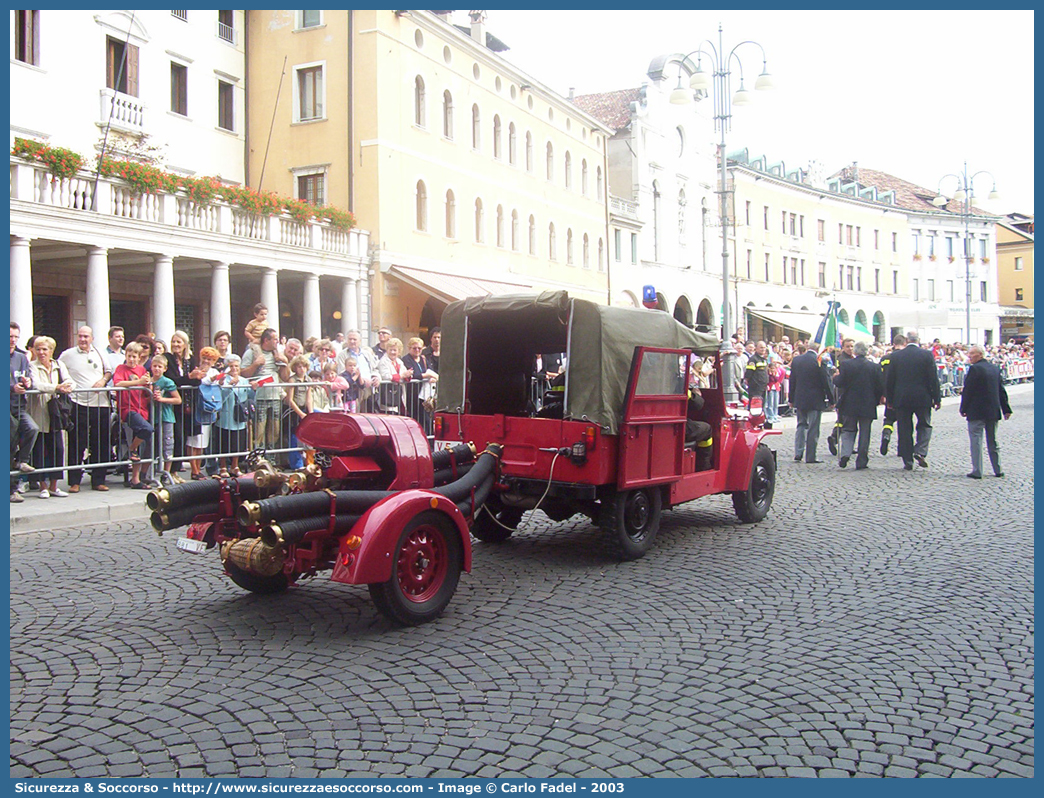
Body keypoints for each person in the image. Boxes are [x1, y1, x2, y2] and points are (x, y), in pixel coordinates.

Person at [59, 325, 112, 493]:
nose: (83, 339)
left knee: (101, 443)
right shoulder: (67, 355)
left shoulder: (101, 353)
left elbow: (109, 372)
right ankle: (74, 481)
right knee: (76, 442)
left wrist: (103, 381)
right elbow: (60, 371)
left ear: (92, 338)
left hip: (101, 404)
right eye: (80, 336)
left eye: (86, 336)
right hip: (78, 403)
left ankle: (98, 480)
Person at [885, 331, 942, 471]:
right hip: (922, 397)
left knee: (904, 429)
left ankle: (907, 460)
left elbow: (890, 380)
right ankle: (920, 451)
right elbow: (933, 378)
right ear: (918, 340)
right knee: (925, 425)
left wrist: (890, 399)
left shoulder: (896, 356)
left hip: (902, 398)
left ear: (906, 341)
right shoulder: (926, 355)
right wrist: (937, 398)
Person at [27, 336, 73, 498]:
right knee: (39, 450)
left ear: (51, 350)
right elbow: (36, 385)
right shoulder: (32, 366)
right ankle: (42, 486)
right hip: (38, 412)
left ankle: (54, 485)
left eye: (44, 349)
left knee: (58, 449)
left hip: (55, 413)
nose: (41, 352)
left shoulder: (59, 365)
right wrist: (57, 387)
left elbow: (70, 381)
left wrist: (66, 386)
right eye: (38, 349)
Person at [959, 344, 1012, 479]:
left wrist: (963, 408)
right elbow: (1001, 390)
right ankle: (997, 468)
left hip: (977, 410)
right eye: (969, 354)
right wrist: (1006, 408)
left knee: (976, 440)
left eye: (972, 354)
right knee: (992, 440)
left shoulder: (974, 369)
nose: (969, 356)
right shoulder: (994, 368)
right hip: (992, 410)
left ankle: (977, 470)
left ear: (980, 355)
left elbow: (968, 391)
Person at [832, 341, 885, 470]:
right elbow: (880, 387)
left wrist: (834, 377)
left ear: (855, 352)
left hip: (850, 402)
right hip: (868, 402)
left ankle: (845, 453)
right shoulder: (874, 367)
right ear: (867, 351)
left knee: (848, 430)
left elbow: (840, 382)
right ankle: (862, 459)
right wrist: (877, 400)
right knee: (865, 432)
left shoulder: (846, 365)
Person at [112, 342, 156, 489]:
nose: (131, 359)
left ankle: (138, 478)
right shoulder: (121, 368)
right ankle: (131, 449)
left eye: (134, 356)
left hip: (142, 408)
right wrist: (139, 381)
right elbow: (117, 384)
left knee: (147, 443)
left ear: (139, 357)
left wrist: (149, 385)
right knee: (146, 429)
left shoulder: (142, 369)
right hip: (128, 408)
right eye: (129, 356)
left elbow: (145, 389)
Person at [241, 328, 288, 458]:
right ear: (266, 340)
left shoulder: (276, 354)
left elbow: (285, 377)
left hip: (275, 395)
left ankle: (271, 458)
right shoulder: (252, 352)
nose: (277, 342)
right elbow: (243, 373)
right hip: (259, 396)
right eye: (275, 339)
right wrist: (255, 365)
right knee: (259, 429)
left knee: (275, 429)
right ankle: (258, 458)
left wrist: (285, 363)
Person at [788, 341, 833, 464]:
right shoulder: (819, 361)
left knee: (801, 425)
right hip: (815, 399)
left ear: (808, 348)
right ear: (818, 349)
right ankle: (810, 456)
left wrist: (791, 399)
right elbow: (826, 381)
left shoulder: (797, 360)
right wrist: (831, 399)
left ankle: (798, 452)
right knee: (813, 428)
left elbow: (793, 381)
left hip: (800, 398)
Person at [10, 323, 39, 502]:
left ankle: (22, 460)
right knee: (10, 443)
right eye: (9, 337)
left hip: (18, 406)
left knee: (32, 428)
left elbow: (27, 376)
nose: (12, 340)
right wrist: (11, 388)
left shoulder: (21, 357)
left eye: (15, 337)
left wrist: (27, 382)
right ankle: (12, 489)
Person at [164, 330, 197, 479]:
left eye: (179, 342)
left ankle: (176, 470)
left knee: (184, 437)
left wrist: (192, 377)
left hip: (188, 404)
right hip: (173, 404)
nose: (176, 345)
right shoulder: (167, 358)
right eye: (173, 341)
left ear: (185, 344)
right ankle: (171, 471)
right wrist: (188, 378)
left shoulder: (190, 360)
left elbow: (196, 381)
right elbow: (172, 380)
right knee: (176, 436)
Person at [185, 347, 221, 479]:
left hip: (209, 406)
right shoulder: (195, 369)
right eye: (205, 358)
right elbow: (202, 382)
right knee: (193, 440)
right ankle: (194, 470)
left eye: (210, 359)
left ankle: (198, 467)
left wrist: (220, 381)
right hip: (196, 406)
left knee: (202, 442)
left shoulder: (215, 371)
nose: (206, 361)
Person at [213, 354, 250, 478]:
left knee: (237, 442)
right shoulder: (223, 380)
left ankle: (235, 466)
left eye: (236, 366)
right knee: (224, 441)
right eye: (231, 366)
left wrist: (254, 387)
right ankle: (223, 466)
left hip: (238, 416)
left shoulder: (244, 380)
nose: (234, 368)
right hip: (225, 415)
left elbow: (249, 395)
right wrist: (229, 386)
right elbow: (221, 397)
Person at [149, 353, 182, 486]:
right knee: (152, 445)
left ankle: (166, 473)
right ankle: (150, 472)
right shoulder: (148, 381)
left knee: (167, 445)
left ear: (165, 368)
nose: (157, 369)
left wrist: (162, 399)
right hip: (152, 417)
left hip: (166, 417)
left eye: (159, 366)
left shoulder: (168, 382)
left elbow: (178, 399)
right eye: (155, 366)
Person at [336, 329, 380, 411]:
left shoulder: (366, 354)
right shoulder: (342, 355)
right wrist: (360, 380)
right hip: (353, 392)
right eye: (350, 339)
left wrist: (376, 377)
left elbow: (375, 368)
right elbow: (342, 373)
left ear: (359, 341)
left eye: (354, 339)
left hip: (369, 390)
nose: (352, 341)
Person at [827, 338, 856, 455]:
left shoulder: (852, 358)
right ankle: (836, 438)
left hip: (850, 392)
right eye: (848, 346)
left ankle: (835, 438)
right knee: (846, 419)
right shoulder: (841, 359)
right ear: (843, 347)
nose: (850, 348)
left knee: (843, 419)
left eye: (852, 346)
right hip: (843, 392)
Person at [285, 355, 313, 469]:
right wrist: (300, 413)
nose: (302, 369)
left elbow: (309, 397)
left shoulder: (308, 379)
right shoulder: (292, 380)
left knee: (307, 436)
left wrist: (310, 412)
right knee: (294, 437)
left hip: (304, 408)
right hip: (293, 410)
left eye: (304, 366)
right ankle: (296, 464)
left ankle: (310, 462)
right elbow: (289, 399)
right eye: (299, 366)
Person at [878, 334, 904, 455]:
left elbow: (879, 376)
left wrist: (881, 394)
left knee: (888, 419)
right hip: (902, 394)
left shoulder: (885, 358)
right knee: (903, 421)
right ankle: (902, 448)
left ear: (893, 344)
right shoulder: (904, 358)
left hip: (888, 394)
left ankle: (886, 435)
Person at [376, 337, 411, 414]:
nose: (392, 352)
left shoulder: (399, 361)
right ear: (387, 350)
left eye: (395, 350)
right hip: (387, 395)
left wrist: (408, 374)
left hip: (399, 394)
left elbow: (405, 374)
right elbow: (386, 376)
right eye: (390, 350)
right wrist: (402, 376)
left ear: (399, 351)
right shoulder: (383, 361)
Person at [743, 340, 770, 425]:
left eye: (764, 347)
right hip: (755, 387)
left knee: (761, 406)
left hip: (763, 387)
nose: (763, 349)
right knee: (754, 407)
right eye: (761, 347)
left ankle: (760, 421)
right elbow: (749, 373)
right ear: (756, 348)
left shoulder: (763, 359)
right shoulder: (753, 359)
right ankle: (752, 423)